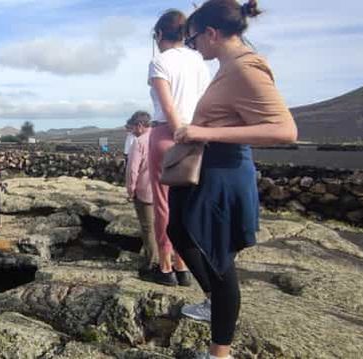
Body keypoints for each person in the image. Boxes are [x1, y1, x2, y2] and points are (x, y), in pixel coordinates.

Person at [168, 1, 298, 358]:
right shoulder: (227, 67)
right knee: (178, 230)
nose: (193, 48)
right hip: (211, 167)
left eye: (193, 41)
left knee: (218, 258)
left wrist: (203, 132)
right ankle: (212, 301)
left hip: (225, 171)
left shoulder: (246, 67)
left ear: (211, 33)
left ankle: (219, 353)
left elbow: (285, 130)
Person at [146, 9, 211, 286]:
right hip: (197, 134)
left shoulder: (160, 61)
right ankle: (184, 266)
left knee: (163, 205)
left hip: (167, 133)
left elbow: (168, 105)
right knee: (188, 205)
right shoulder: (200, 62)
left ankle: (164, 267)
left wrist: (177, 134)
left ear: (160, 34)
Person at [124, 111, 159, 278]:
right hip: (164, 189)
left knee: (148, 228)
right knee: (164, 226)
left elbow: (132, 170)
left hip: (145, 191)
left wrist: (131, 190)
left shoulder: (139, 142)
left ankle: (152, 263)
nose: (131, 131)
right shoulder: (160, 138)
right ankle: (169, 261)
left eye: (132, 127)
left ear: (139, 125)